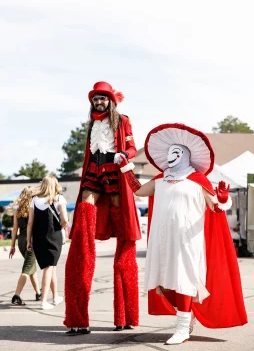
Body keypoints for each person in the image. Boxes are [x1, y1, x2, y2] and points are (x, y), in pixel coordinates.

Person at [116, 123, 248, 345]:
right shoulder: (161, 179)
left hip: (188, 240)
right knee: (162, 284)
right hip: (162, 239)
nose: (171, 156)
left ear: (186, 155)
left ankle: (182, 328)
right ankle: (187, 316)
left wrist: (223, 198)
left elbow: (215, 208)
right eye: (169, 152)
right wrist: (127, 167)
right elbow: (139, 190)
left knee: (184, 281)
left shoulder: (198, 180)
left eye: (176, 152)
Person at [64, 81, 141, 335]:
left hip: (114, 171)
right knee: (85, 212)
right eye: (95, 98)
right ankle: (83, 243)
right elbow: (89, 152)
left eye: (102, 98)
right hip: (93, 171)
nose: (99, 102)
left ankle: (124, 315)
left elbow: (131, 146)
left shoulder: (123, 120)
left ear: (110, 100)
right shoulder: (91, 125)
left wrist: (125, 156)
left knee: (122, 226)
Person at [27, 175, 68, 310]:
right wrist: (61, 228)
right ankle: (43, 300)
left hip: (38, 238)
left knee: (51, 267)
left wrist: (29, 240)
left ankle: (55, 296)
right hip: (53, 237)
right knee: (49, 268)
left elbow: (30, 223)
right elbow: (65, 220)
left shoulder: (34, 200)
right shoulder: (58, 198)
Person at [9, 187, 41, 306]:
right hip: (30, 241)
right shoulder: (33, 208)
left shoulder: (18, 210)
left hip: (21, 241)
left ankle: (38, 293)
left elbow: (15, 229)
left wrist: (12, 246)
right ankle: (16, 296)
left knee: (31, 267)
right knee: (27, 269)